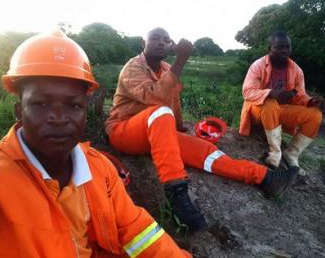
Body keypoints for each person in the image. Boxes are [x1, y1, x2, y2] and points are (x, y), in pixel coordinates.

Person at [0, 30, 191, 258]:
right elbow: (157, 98)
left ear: (85, 112)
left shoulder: (100, 169)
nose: (59, 117)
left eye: (74, 106)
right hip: (126, 132)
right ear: (19, 113)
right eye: (41, 104)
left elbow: (138, 232)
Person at [105, 27, 300, 232]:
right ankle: (177, 194)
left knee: (206, 150)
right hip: (123, 131)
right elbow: (155, 98)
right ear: (142, 44)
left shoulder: (166, 68)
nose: (161, 42)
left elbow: (173, 102)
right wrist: (181, 60)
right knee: (160, 111)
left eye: (166, 39)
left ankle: (266, 178)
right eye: (155, 38)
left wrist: (179, 128)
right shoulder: (132, 67)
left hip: (155, 132)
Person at [239, 31, 324, 174]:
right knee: (270, 103)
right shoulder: (258, 66)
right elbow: (247, 92)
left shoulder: (296, 70)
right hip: (257, 110)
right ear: (269, 49)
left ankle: (291, 154)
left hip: (280, 111)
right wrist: (271, 92)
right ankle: (274, 154)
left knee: (315, 115)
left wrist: (311, 101)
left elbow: (299, 95)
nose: (284, 50)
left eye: (287, 47)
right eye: (279, 47)